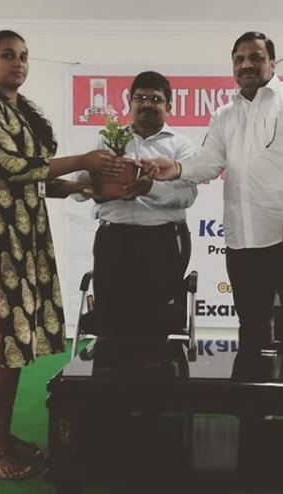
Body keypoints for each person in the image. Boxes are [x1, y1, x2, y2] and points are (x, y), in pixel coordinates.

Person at [0, 30, 124, 480]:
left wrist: (81, 187)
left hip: (24, 232)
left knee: (14, 341)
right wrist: (82, 161)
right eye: (7, 55)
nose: (18, 63)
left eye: (23, 56)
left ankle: (0, 435)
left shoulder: (22, 110)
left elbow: (35, 179)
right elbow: (8, 167)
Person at [146, 32, 283, 352]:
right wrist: (176, 168)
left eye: (256, 57)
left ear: (272, 62)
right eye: (239, 59)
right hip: (242, 242)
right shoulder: (224, 115)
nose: (247, 64)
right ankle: (255, 386)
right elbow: (209, 163)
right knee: (252, 327)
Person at [72, 71, 197, 351]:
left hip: (162, 242)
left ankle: (157, 376)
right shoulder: (109, 140)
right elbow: (80, 189)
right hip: (113, 240)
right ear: (129, 102)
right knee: (110, 324)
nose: (147, 104)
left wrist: (149, 187)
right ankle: (111, 376)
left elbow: (187, 195)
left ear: (169, 106)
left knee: (155, 325)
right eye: (140, 97)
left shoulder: (180, 145)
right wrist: (94, 186)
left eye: (156, 99)